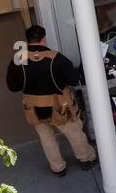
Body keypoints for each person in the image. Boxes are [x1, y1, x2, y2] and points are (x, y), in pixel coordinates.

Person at [6, 25, 97, 177]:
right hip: (60, 106)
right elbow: (74, 79)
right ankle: (86, 158)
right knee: (74, 133)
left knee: (46, 138)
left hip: (33, 108)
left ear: (27, 41)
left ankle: (58, 167)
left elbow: (13, 86)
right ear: (43, 39)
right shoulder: (56, 58)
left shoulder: (17, 60)